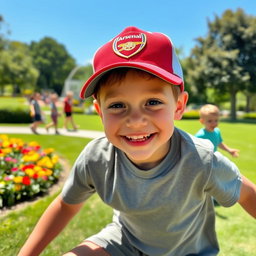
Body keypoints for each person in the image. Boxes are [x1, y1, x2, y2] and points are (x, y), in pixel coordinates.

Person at [18, 26, 256, 256]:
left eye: (152, 102)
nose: (135, 120)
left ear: (179, 106)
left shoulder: (201, 160)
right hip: (123, 242)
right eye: (117, 105)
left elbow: (246, 194)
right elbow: (66, 204)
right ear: (100, 112)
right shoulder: (96, 158)